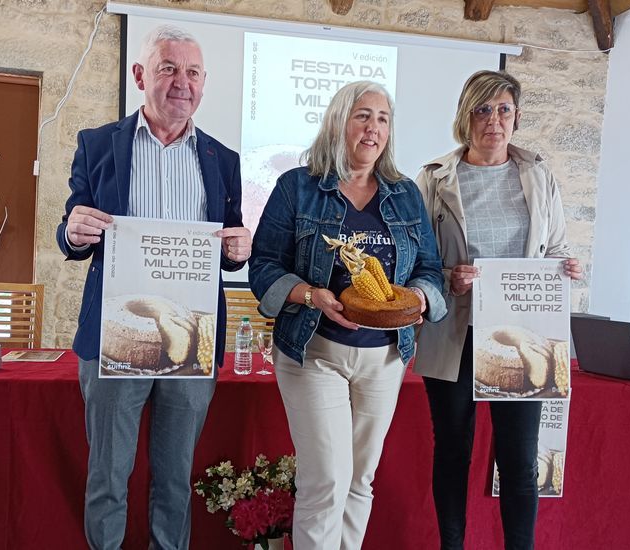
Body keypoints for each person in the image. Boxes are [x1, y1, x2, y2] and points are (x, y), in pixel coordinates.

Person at [56, 25, 251, 550]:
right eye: (168, 69)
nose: (181, 83)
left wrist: (240, 249)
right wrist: (71, 231)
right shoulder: (97, 144)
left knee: (173, 481)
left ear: (204, 84)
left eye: (192, 72)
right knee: (107, 479)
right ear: (142, 75)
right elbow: (73, 229)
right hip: (114, 336)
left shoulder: (222, 160)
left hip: (193, 339)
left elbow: (228, 243)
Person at [248, 80, 446, 549]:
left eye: (382, 118)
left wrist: (416, 300)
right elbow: (263, 265)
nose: (373, 127)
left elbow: (429, 269)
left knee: (360, 481)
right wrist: (310, 294)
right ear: (339, 120)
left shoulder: (404, 195)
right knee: (326, 482)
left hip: (384, 359)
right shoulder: (297, 187)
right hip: (314, 353)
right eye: (363, 115)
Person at [412, 70, 583, 550]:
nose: (494, 120)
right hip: (454, 334)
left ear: (517, 117)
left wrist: (563, 267)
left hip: (522, 332)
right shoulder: (434, 178)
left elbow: (556, 247)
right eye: (483, 109)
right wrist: (449, 276)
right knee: (452, 451)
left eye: (504, 109)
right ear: (465, 118)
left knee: (520, 459)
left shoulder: (538, 174)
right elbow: (415, 257)